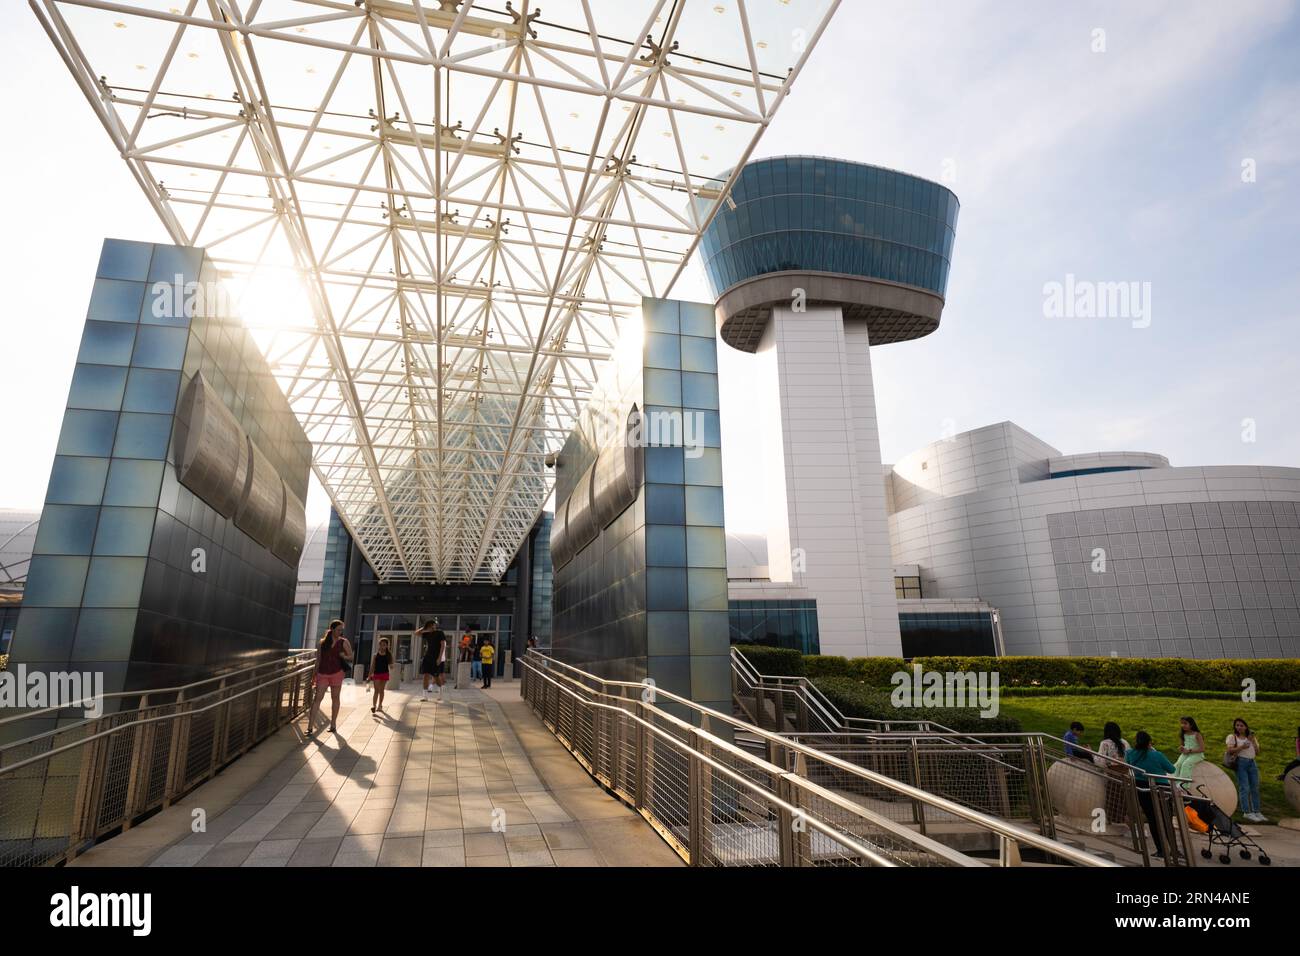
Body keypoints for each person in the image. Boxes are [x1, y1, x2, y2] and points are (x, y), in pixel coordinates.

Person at [1126, 731, 1178, 859]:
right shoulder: (1157, 755)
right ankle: (1174, 850)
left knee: (1153, 819)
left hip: (1141, 788)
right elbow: (1172, 769)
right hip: (1161, 788)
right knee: (1166, 819)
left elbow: (1128, 767)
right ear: (1149, 742)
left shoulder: (1130, 753)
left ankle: (1160, 850)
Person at [309, 619, 352, 736]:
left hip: (337, 673)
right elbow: (318, 660)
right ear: (332, 629)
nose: (340, 632)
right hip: (322, 673)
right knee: (317, 698)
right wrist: (314, 674)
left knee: (335, 698)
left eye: (341, 630)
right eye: (338, 630)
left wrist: (344, 655)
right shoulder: (322, 643)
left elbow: (351, 657)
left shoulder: (344, 642)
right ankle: (310, 727)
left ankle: (333, 724)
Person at [1225, 718, 1266, 823]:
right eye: (1237, 725)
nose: (1239, 727)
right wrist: (1242, 746)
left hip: (1252, 763)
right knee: (1245, 787)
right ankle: (1247, 812)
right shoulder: (1232, 737)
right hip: (1240, 763)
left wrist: (1253, 742)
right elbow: (1229, 750)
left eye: (1241, 725)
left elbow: (1257, 752)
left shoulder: (1251, 737)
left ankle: (1256, 811)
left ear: (1246, 727)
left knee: (1255, 787)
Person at [418, 623, 446, 701]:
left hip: (436, 658)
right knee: (425, 676)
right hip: (427, 657)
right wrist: (424, 628)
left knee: (436, 677)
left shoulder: (440, 633)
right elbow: (416, 633)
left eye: (433, 625)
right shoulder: (427, 634)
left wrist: (440, 658)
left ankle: (440, 693)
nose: (432, 627)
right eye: (430, 626)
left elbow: (443, 645)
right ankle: (425, 696)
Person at [1173, 716, 1205, 780]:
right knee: (1178, 764)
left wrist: (1189, 750)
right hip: (1186, 754)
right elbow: (1183, 745)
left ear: (1191, 724)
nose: (1183, 725)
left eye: (1185, 723)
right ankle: (1174, 782)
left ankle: (1183, 784)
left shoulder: (1197, 734)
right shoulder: (1183, 734)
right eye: (1181, 723)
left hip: (1197, 755)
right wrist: (1181, 748)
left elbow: (1202, 749)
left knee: (1186, 764)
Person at [369, 637, 392, 714]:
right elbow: (372, 666)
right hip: (377, 674)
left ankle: (380, 705)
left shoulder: (388, 655)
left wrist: (392, 666)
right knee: (376, 690)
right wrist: (369, 675)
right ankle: (374, 706)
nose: (382, 646)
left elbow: (391, 665)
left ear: (387, 646)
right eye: (381, 645)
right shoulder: (376, 655)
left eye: (384, 645)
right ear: (379, 645)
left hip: (385, 674)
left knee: (381, 690)